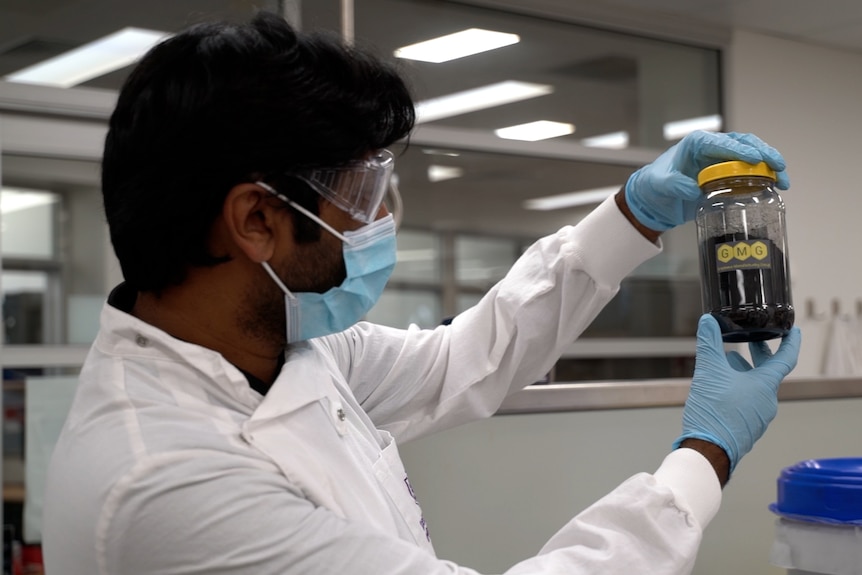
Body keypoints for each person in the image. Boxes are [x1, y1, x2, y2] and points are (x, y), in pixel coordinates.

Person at [42, 11, 801, 575]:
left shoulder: (284, 347)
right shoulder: (166, 485)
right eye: (362, 190)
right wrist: (705, 454)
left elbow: (463, 358)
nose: (380, 220)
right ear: (257, 219)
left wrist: (631, 214)